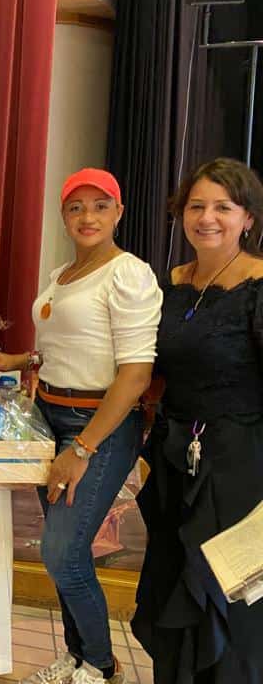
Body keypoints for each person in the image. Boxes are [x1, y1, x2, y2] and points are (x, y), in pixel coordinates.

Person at [0, 168, 162, 684]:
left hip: (97, 425)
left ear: (119, 212)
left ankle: (101, 665)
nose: (88, 217)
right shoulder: (64, 274)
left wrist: (81, 448)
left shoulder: (129, 274)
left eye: (100, 206)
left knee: (60, 552)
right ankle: (76, 655)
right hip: (51, 415)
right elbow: (66, 347)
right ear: (63, 215)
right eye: (76, 207)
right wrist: (17, 359)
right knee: (67, 552)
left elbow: (135, 374)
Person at [131, 157, 263, 683]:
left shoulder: (258, 286)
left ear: (247, 218)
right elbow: (149, 367)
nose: (207, 218)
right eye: (196, 206)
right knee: (171, 581)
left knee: (232, 596)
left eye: (223, 207)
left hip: (240, 467)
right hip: (174, 458)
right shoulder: (172, 284)